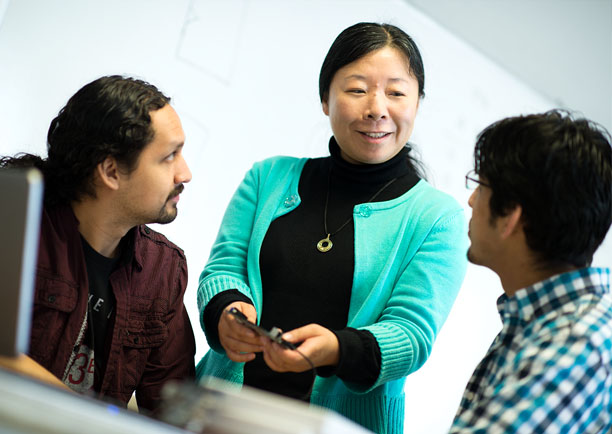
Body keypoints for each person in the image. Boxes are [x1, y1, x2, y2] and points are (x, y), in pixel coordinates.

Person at [196, 22, 468, 433]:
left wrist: (337, 349)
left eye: (396, 93)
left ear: (417, 104)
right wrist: (226, 312)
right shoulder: (268, 177)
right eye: (357, 89)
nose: (377, 108)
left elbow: (411, 335)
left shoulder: (437, 219)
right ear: (325, 99)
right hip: (222, 412)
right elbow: (224, 268)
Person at [0, 75, 196, 413]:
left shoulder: (162, 270)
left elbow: (171, 409)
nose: (185, 173)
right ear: (111, 171)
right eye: (169, 156)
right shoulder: (16, 223)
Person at [450, 110, 612, 433]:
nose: (470, 201)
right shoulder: (539, 318)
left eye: (479, 186)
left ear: (510, 214)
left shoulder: (579, 340)